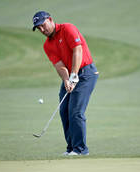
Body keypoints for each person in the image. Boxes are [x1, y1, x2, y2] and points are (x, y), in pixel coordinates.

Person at [32, 11, 99, 156]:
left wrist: (74, 75)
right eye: (39, 28)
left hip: (85, 72)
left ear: (50, 20)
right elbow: (59, 65)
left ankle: (80, 149)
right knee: (64, 111)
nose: (42, 30)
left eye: (43, 25)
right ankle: (71, 148)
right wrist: (66, 80)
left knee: (75, 111)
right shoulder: (47, 45)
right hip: (70, 74)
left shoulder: (68, 28)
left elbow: (77, 51)